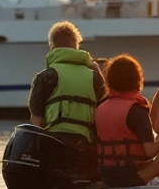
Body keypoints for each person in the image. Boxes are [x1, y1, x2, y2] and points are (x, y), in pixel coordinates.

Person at [27, 21, 105, 158]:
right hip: (85, 147)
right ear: (76, 46)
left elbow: (36, 121)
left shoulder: (45, 77)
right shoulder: (95, 77)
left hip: (54, 145)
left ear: (52, 46)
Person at [94, 54, 159, 188]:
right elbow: (150, 151)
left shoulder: (100, 107)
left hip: (106, 173)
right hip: (131, 175)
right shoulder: (136, 109)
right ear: (137, 79)